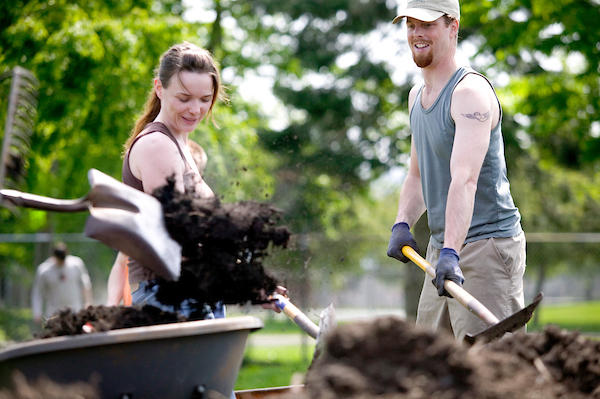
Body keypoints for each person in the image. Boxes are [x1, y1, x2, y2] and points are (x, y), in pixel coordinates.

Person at [107, 42, 284, 317]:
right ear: (159, 88)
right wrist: (244, 284)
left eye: (205, 99)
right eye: (184, 98)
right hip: (167, 299)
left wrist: (249, 285)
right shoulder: (158, 145)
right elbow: (178, 236)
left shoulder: (181, 147)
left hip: (190, 293)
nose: (195, 109)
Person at [386, 0, 526, 342]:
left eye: (428, 24)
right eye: (411, 25)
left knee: (494, 369)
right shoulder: (417, 96)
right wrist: (403, 222)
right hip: (441, 248)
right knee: (431, 366)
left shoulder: (469, 94)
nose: (417, 34)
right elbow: (417, 175)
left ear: (453, 27)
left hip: (486, 247)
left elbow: (465, 180)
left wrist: (452, 251)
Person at [31, 243, 93, 323]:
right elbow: (38, 292)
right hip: (54, 313)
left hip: (75, 310)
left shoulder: (76, 265)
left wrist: (88, 303)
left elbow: (86, 285)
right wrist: (37, 312)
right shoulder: (44, 270)